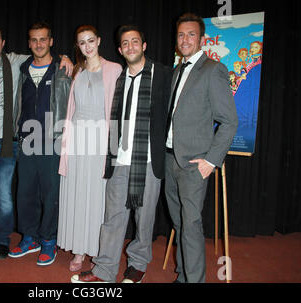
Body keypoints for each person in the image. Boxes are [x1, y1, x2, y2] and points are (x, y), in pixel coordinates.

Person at [0, 24, 72, 260]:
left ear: (3, 43)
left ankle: (24, 240)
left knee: (10, 196)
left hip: (23, 141)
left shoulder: (27, 64)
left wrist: (66, 57)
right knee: (0, 195)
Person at [71, 25, 172, 283]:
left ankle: (137, 265)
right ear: (119, 49)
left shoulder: (162, 75)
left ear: (144, 45)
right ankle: (104, 269)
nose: (130, 47)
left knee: (144, 218)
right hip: (119, 159)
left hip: (148, 162)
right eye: (125, 44)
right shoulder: (118, 77)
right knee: (112, 219)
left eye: (135, 42)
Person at [165, 13, 238, 283]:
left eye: (191, 34)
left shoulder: (213, 70)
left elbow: (229, 121)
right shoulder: (176, 71)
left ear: (202, 39)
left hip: (195, 165)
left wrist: (211, 161)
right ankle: (184, 276)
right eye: (181, 34)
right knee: (180, 224)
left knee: (191, 227)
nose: (185, 39)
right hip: (169, 159)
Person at [57, 25, 122, 272]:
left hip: (100, 142)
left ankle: (97, 248)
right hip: (76, 141)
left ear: (99, 41)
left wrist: (113, 145)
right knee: (77, 193)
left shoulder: (114, 69)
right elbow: (71, 109)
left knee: (97, 197)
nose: (87, 46)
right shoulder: (77, 70)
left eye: (91, 41)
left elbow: (116, 110)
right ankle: (79, 250)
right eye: (82, 42)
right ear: (78, 46)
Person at [8, 22, 72, 266]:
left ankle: (48, 240)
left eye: (43, 39)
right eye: (34, 40)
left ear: (51, 41)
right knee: (25, 193)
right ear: (29, 43)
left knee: (50, 193)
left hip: (53, 140)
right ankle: (30, 237)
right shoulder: (22, 69)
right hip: (26, 139)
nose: (38, 44)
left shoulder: (63, 68)